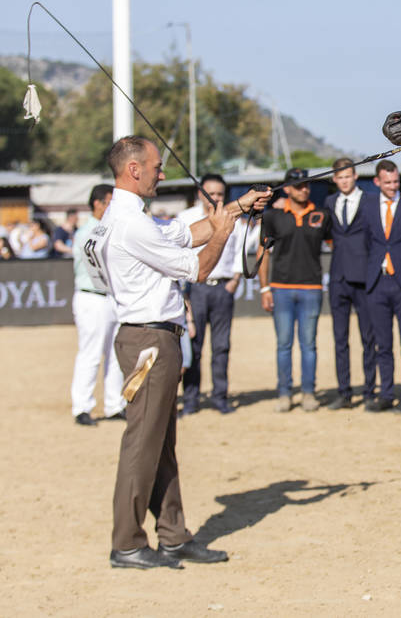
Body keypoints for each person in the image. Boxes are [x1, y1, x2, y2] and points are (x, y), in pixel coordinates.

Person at [85, 135, 269, 569]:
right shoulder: (131, 225)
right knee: (142, 444)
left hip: (153, 338)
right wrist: (226, 231)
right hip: (149, 342)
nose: (161, 173)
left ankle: (172, 536)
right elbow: (200, 267)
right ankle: (128, 543)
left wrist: (239, 207)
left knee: (160, 445)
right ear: (134, 169)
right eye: (156, 166)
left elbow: (186, 234)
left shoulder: (127, 218)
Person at [259, 168, 331, 414]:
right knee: (284, 344)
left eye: (307, 185)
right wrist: (264, 288)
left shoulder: (322, 214)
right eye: (299, 185)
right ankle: (285, 393)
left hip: (312, 288)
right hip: (281, 289)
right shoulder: (273, 217)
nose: (304, 189)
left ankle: (309, 393)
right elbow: (262, 253)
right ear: (287, 189)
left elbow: (336, 243)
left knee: (309, 345)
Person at [176, 173, 245, 415]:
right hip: (195, 289)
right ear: (199, 194)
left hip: (223, 287)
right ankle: (191, 399)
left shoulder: (231, 217)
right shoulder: (184, 219)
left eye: (219, 194)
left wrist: (235, 279)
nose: (215, 198)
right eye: (210, 194)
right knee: (194, 346)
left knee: (221, 346)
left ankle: (220, 397)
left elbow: (239, 250)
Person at [365, 160, 401, 412]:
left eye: (396, 181)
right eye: (387, 182)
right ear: (377, 182)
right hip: (377, 282)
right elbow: (365, 241)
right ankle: (386, 394)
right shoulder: (367, 206)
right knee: (383, 344)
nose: (393, 186)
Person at [323, 157, 377, 410]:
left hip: (364, 277)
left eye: (348, 176)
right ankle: (344, 393)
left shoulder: (370, 200)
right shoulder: (329, 202)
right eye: (340, 177)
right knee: (340, 339)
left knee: (368, 338)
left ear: (355, 176)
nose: (344, 181)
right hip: (338, 278)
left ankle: (369, 391)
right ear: (334, 180)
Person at [69, 184, 123, 426]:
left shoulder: (109, 229)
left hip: (111, 297)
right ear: (98, 203)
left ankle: (114, 404)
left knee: (114, 353)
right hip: (92, 295)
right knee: (90, 353)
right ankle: (82, 406)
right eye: (109, 202)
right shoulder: (86, 232)